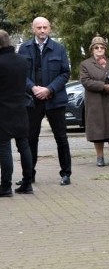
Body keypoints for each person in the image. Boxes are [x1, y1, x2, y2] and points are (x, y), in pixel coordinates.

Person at [17, 16, 72, 186]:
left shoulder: (59, 49)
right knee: (30, 138)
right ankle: (29, 174)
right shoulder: (24, 49)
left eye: (45, 27)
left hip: (54, 100)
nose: (42, 30)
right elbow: (21, 74)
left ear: (50, 29)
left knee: (61, 137)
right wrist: (33, 88)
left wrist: (49, 89)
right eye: (39, 27)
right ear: (33, 29)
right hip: (32, 101)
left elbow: (65, 73)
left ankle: (66, 173)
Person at [0, 30, 35, 196]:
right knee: (24, 146)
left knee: (5, 148)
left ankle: (5, 186)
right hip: (21, 108)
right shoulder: (22, 61)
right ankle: (27, 183)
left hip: (3, 110)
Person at [80, 36, 109, 167]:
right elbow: (86, 81)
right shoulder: (85, 64)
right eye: (96, 47)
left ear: (105, 49)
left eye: (102, 47)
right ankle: (99, 157)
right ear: (92, 49)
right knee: (97, 131)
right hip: (95, 101)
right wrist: (103, 86)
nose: (99, 49)